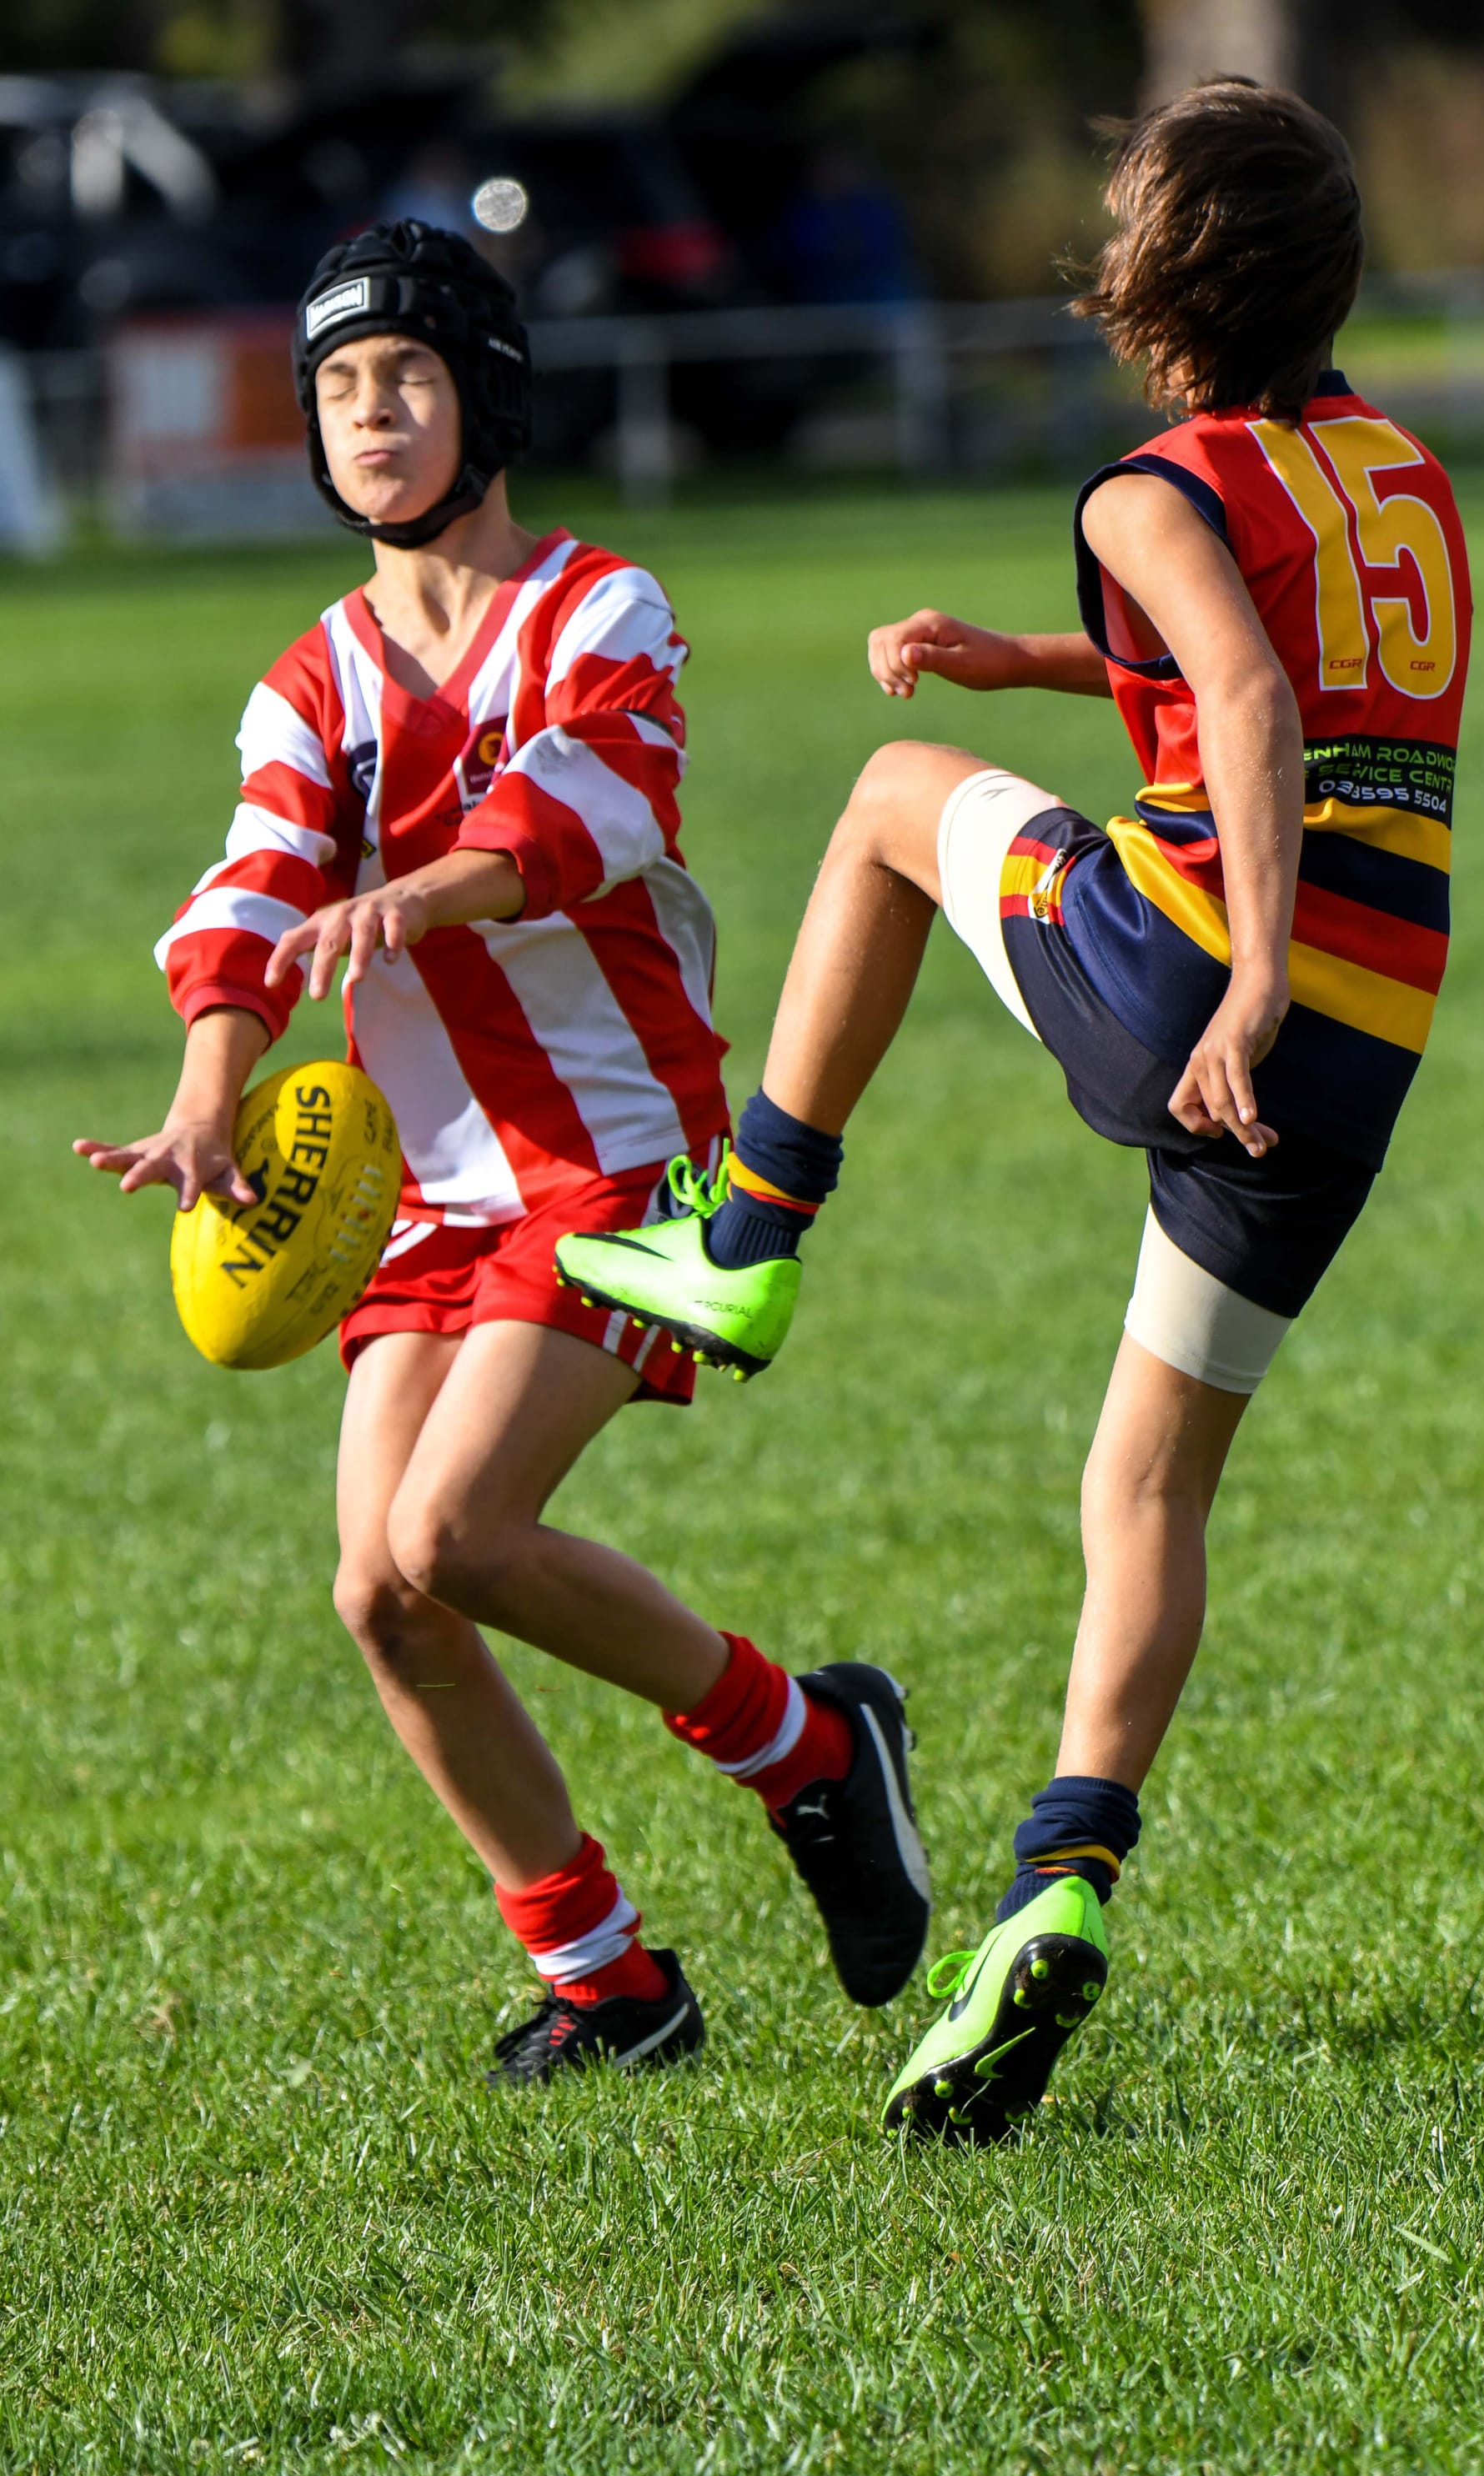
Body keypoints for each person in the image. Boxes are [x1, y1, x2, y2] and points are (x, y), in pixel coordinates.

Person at [556, 83, 1473, 2137]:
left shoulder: (1153, 478)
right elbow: (1268, 660)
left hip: (1207, 982)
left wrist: (1229, 971)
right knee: (1144, 1486)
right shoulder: (1399, 473)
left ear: (1156, 275)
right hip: (1363, 1046)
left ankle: (750, 1240)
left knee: (883, 812)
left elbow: (1244, 703)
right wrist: (1027, 662)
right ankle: (1055, 1894)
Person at [74, 221, 930, 2084]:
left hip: (617, 1167)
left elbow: (591, 810)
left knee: (454, 1533)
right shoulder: (310, 679)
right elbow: (254, 882)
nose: (369, 416)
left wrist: (426, 896)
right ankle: (615, 1986)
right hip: (423, 1186)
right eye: (336, 390)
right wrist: (212, 1079)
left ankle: (808, 1749)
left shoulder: (601, 608)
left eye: (405, 378)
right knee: (378, 1588)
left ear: (488, 398)